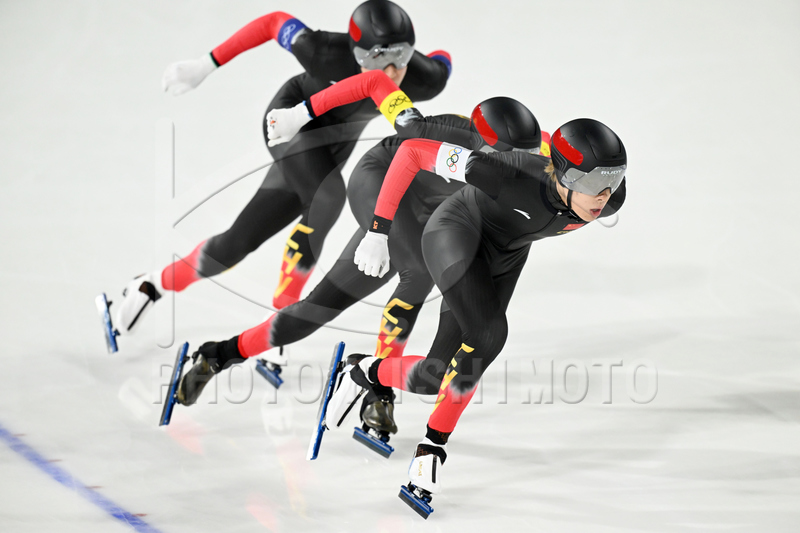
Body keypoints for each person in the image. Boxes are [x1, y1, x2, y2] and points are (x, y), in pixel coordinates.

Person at [265, 67, 628, 505]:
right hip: (455, 231)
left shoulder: (601, 193)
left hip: (505, 253)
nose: (604, 196)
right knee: (489, 333)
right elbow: (412, 150)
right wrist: (378, 232)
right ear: (564, 176)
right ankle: (430, 451)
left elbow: (565, 151)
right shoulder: (500, 172)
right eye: (594, 183)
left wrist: (594, 175)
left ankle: (361, 370)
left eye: (612, 181)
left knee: (433, 376)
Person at [173, 95, 548, 449]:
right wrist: (378, 231)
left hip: (434, 221)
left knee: (314, 311)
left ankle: (217, 353)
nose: (513, 173)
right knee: (412, 275)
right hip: (385, 190)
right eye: (504, 160)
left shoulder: (536, 159)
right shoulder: (450, 137)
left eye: (525, 160)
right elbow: (393, 130)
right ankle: (373, 389)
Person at [109, 0, 452, 342]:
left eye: (401, 55)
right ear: (355, 53)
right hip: (290, 122)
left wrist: (429, 61)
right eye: (375, 57)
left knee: (238, 242)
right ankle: (283, 312)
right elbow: (274, 22)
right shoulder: (323, 52)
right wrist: (206, 63)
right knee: (329, 195)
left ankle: (152, 284)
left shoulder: (424, 78)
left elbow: (442, 60)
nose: (389, 71)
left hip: (333, 148)